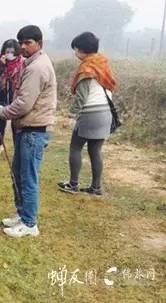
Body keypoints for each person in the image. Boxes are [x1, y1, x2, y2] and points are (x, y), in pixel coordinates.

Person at [0, 25, 57, 238]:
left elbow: (24, 104)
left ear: (39, 44)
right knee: (18, 173)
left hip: (34, 130)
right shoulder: (31, 63)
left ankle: (29, 223)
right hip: (26, 128)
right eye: (22, 42)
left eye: (29, 42)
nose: (24, 47)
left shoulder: (37, 68)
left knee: (28, 178)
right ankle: (22, 213)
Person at [57, 32, 116, 196]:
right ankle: (96, 187)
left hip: (90, 113)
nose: (75, 53)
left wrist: (70, 116)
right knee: (95, 150)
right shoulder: (103, 63)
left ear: (82, 50)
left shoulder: (86, 68)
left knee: (75, 147)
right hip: (105, 113)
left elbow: (82, 97)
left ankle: (73, 184)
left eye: (75, 50)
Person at [0, 39, 24, 156]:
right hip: (2, 96)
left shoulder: (22, 63)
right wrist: (2, 66)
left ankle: (17, 148)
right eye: (7, 51)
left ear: (17, 51)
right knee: (0, 123)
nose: (9, 54)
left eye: (12, 51)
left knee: (16, 125)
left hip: (15, 97)